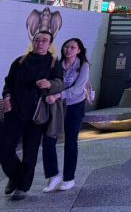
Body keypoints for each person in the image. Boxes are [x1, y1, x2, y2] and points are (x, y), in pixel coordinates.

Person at [1, 31, 64, 201]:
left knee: (30, 152)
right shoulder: (19, 61)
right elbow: (8, 84)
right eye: (37, 40)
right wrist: (6, 97)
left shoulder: (53, 63)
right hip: (13, 112)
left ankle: (22, 186)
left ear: (50, 44)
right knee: (4, 148)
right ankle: (15, 177)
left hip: (37, 115)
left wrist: (49, 83)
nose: (40, 43)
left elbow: (60, 84)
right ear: (32, 41)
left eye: (44, 40)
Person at [41, 38, 90, 193]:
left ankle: (69, 178)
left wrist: (58, 95)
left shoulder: (83, 66)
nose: (68, 50)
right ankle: (53, 175)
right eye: (66, 47)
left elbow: (77, 89)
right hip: (57, 107)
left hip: (75, 106)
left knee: (70, 142)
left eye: (72, 47)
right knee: (48, 140)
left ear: (79, 50)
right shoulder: (57, 64)